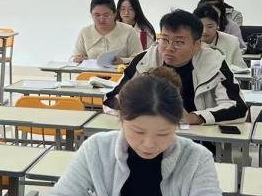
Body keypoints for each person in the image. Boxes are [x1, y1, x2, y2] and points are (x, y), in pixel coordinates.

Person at [44, 68, 227, 196]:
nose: (149, 144)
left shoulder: (196, 158)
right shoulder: (97, 149)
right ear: (121, 119)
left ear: (178, 125)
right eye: (138, 132)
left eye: (163, 134)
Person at [105, 9, 247, 126]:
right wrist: (143, 115)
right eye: (165, 40)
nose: (169, 48)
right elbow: (111, 99)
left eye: (179, 42)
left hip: (198, 136)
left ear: (197, 44)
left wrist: (195, 118)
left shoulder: (214, 63)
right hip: (150, 132)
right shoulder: (144, 60)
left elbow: (238, 108)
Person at [71, 0, 143, 63]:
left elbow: (140, 59)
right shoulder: (85, 32)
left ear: (115, 14)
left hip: (122, 71)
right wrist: (77, 59)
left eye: (106, 15)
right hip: (92, 71)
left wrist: (122, 61)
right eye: (97, 15)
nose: (101, 19)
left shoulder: (129, 31)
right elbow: (74, 58)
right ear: (91, 14)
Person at [194, 3, 247, 70]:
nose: (205, 31)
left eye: (210, 27)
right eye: (201, 26)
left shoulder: (231, 41)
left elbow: (241, 69)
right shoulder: (188, 41)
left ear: (218, 25)